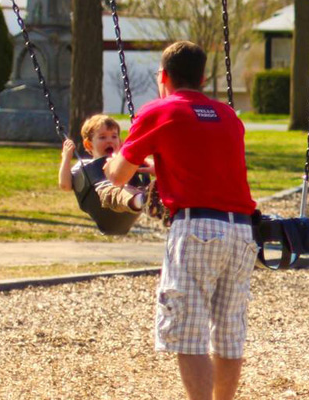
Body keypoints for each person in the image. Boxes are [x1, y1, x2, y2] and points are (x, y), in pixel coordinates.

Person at [104, 41, 258, 400]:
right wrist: (163, 166)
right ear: (203, 77)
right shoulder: (227, 116)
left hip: (196, 229)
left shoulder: (160, 111)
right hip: (241, 230)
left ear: (164, 76)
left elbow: (118, 176)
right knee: (229, 332)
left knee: (189, 334)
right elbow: (208, 166)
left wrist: (111, 162)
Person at [57, 114, 150, 213]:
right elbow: (65, 185)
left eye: (114, 136)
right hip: (105, 197)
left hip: (131, 196)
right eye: (102, 137)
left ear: (120, 141)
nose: (109, 141)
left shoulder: (122, 162)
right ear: (88, 144)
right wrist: (66, 157)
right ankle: (142, 200)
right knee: (119, 192)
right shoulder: (84, 166)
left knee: (140, 187)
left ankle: (154, 202)